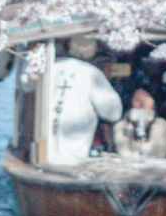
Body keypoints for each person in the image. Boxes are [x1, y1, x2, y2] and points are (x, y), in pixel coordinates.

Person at [47, 36, 122, 164]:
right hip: (74, 156)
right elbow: (113, 112)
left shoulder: (52, 68)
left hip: (47, 152)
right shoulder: (92, 74)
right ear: (93, 51)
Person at [113, 89, 166, 159]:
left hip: (154, 165)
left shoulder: (161, 124)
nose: (141, 102)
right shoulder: (121, 126)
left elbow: (159, 151)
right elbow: (123, 151)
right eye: (137, 99)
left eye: (145, 98)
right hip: (128, 165)